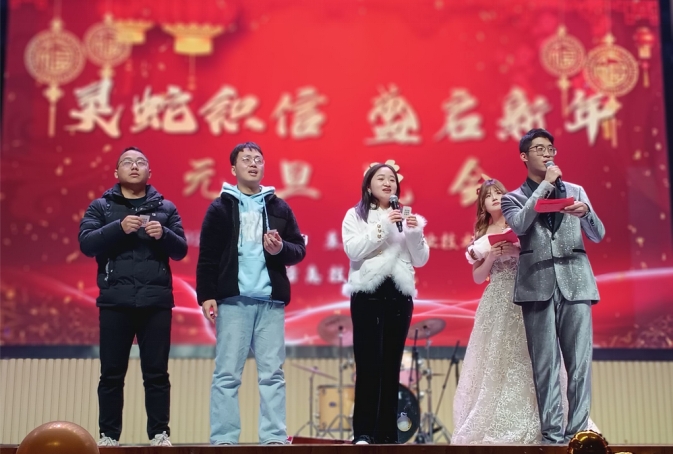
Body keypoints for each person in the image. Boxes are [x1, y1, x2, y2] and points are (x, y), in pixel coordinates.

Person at [453, 179, 600, 444]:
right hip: (497, 301)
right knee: (497, 359)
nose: (496, 197)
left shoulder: (521, 221)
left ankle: (552, 422)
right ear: (482, 205)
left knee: (536, 358)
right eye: (489, 195)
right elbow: (478, 277)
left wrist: (517, 250)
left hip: (531, 292)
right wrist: (491, 256)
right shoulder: (481, 234)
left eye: (499, 192)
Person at [196, 142, 306, 445]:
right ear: (234, 168)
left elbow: (298, 249)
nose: (253, 164)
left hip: (270, 303)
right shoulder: (220, 207)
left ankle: (273, 438)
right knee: (227, 374)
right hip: (233, 302)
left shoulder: (279, 207)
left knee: (272, 375)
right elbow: (207, 256)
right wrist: (206, 295)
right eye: (246, 159)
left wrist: (280, 248)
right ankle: (224, 440)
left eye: (258, 159)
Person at [501, 128, 605, 444]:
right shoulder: (512, 198)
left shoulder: (576, 190)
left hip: (576, 282)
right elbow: (520, 225)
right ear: (524, 156)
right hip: (537, 285)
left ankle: (579, 435)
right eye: (539, 149)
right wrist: (545, 186)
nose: (547, 154)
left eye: (550, 149)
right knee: (545, 365)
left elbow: (598, 234)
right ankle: (552, 437)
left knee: (579, 363)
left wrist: (586, 213)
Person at [79, 146, 188, 447]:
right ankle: (108, 436)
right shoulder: (101, 207)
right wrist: (118, 227)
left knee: (156, 374)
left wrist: (164, 234)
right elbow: (86, 244)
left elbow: (181, 250)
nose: (135, 166)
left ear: (149, 172)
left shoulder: (166, 208)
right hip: (115, 300)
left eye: (141, 162)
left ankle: (159, 434)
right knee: (111, 374)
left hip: (156, 301)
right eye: (127, 162)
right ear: (117, 172)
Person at [341, 163, 429, 444]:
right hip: (368, 294)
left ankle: (387, 434)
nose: (388, 183)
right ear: (368, 185)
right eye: (381, 178)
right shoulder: (356, 215)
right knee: (368, 364)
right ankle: (364, 432)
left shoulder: (405, 216)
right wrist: (383, 225)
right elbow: (353, 250)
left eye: (392, 179)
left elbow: (420, 259)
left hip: (399, 295)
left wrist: (414, 233)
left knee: (392, 365)